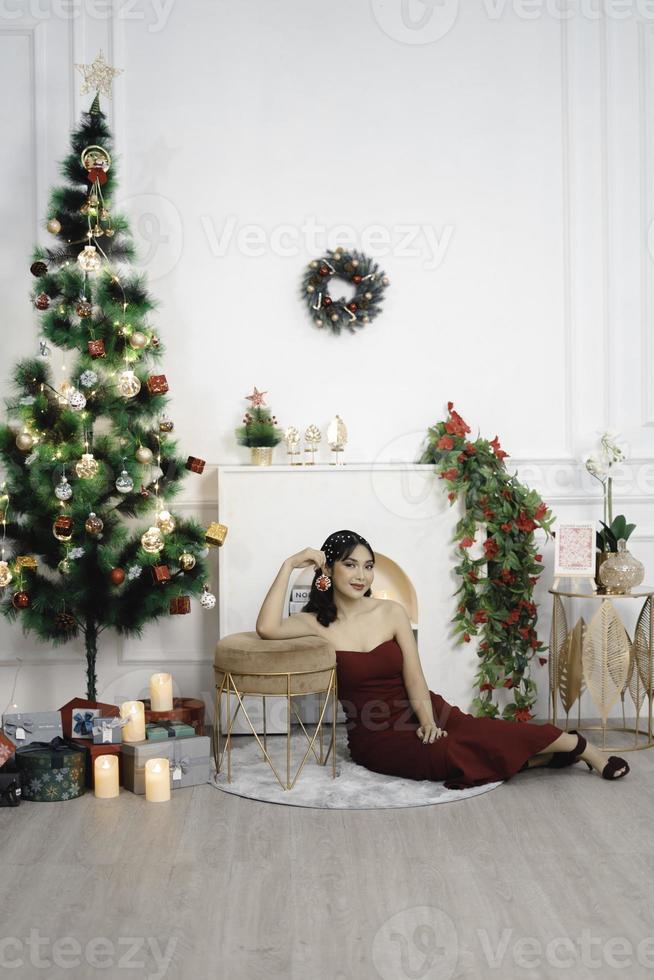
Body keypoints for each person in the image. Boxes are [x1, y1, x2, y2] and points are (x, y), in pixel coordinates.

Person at [255, 530, 630, 789]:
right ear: (329, 569)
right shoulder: (314, 624)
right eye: (350, 564)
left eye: (368, 566)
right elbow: (266, 627)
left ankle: (580, 748)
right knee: (450, 755)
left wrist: (429, 722)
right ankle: (546, 757)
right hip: (375, 734)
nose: (361, 575)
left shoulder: (391, 612)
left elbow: (414, 675)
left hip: (424, 709)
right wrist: (289, 565)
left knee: (486, 731)